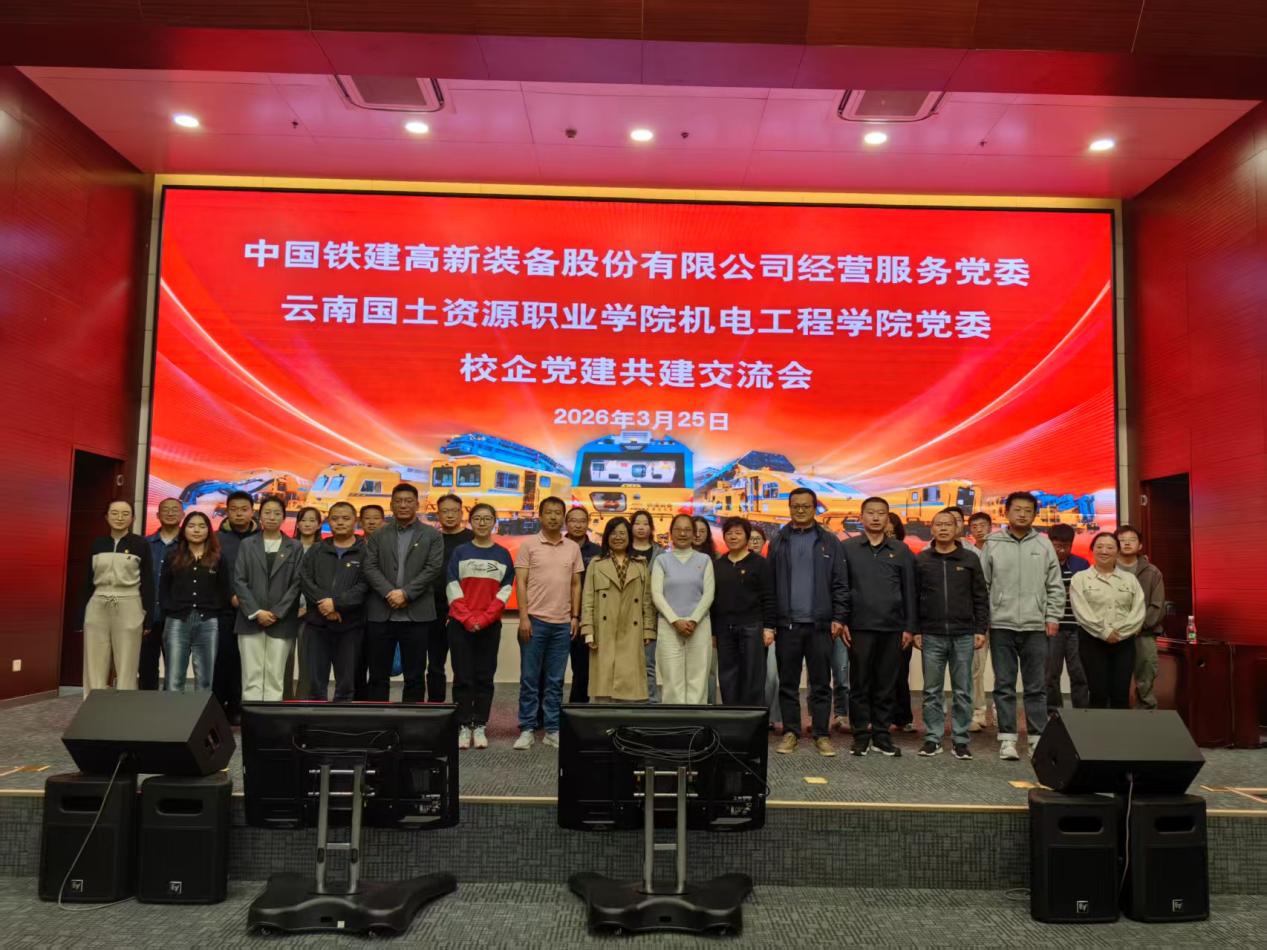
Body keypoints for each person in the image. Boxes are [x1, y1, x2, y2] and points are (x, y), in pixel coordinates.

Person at [980, 491, 1065, 761]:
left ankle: (1036, 739)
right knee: (1004, 684)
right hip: (1001, 625)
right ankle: (1007, 739)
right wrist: (984, 620)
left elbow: (1055, 585)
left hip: (1035, 626)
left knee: (1036, 686)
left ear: (1035, 515)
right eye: (1017, 509)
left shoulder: (1044, 544)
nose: (1022, 514)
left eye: (1028, 510)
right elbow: (982, 585)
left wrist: (1052, 617)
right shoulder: (992, 543)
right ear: (1006, 512)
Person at [767, 488, 850, 756]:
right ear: (789, 508)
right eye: (795, 506)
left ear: (815, 508)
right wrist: (771, 622)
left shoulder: (829, 541)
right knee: (788, 683)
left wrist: (839, 617)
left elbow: (840, 583)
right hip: (787, 625)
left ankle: (821, 734)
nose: (800, 510)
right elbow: (770, 586)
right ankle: (791, 732)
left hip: (820, 625)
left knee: (821, 684)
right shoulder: (779, 541)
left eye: (805, 506)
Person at [842, 497, 917, 758]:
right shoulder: (848, 548)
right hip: (859, 627)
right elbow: (840, 588)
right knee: (859, 683)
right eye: (871, 513)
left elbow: (910, 591)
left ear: (888, 518)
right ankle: (861, 735)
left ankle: (882, 735)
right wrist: (842, 621)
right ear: (861, 517)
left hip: (893, 627)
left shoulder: (901, 550)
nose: (875, 518)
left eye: (881, 513)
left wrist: (910, 627)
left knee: (887, 683)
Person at [914, 511, 989, 760]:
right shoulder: (922, 560)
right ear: (932, 529)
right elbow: (914, 598)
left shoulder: (969, 559)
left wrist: (980, 629)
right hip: (932, 634)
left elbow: (980, 597)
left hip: (964, 634)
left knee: (963, 691)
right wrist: (916, 630)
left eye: (949, 524)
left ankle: (960, 740)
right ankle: (932, 738)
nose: (944, 528)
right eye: (939, 524)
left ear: (957, 528)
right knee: (931, 691)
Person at [362, 484, 444, 703]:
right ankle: (379, 720)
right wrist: (390, 593)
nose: (403, 505)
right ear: (391, 505)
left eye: (408, 501)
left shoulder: (432, 535)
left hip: (417, 615)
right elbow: (369, 567)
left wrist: (406, 594)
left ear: (417, 504)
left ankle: (411, 722)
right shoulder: (379, 534)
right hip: (382, 613)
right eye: (398, 501)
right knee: (378, 675)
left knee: (414, 676)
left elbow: (433, 568)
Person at [513, 496, 584, 749]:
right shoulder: (528, 545)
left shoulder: (572, 548)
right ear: (540, 516)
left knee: (555, 681)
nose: (553, 517)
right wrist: (523, 617)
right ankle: (527, 728)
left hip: (562, 624)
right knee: (529, 679)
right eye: (549, 512)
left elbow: (576, 585)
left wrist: (574, 617)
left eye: (558, 513)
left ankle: (552, 729)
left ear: (563, 517)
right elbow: (521, 583)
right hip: (534, 621)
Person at [447, 503, 514, 748]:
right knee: (463, 676)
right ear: (470, 522)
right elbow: (452, 586)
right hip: (460, 625)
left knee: (485, 677)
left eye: (487, 518)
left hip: (489, 626)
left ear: (494, 522)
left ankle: (480, 724)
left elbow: (505, 591)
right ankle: (464, 725)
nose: (482, 523)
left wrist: (484, 619)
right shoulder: (460, 552)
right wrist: (467, 618)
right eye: (477, 518)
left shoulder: (502, 554)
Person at [80, 500, 154, 695]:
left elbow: (148, 582)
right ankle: (92, 705)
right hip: (98, 602)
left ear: (133, 518)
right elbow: (87, 581)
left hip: (129, 602)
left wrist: (148, 617)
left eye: (125, 513)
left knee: (127, 663)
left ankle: (125, 707)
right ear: (106, 516)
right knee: (94, 661)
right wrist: (80, 615)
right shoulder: (97, 544)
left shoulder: (141, 544)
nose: (119, 518)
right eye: (114, 513)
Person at [233, 496, 302, 701]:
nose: (272, 517)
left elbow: (297, 583)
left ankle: (272, 720)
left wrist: (277, 613)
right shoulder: (247, 544)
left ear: (284, 517)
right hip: (250, 620)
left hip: (281, 621)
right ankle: (252, 718)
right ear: (259, 516)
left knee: (275, 676)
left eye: (277, 513)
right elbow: (239, 580)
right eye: (267, 513)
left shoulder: (294, 546)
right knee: (251, 676)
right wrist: (256, 612)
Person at [300, 501, 368, 703]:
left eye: (346, 518)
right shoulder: (316, 550)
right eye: (335, 518)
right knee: (315, 684)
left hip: (350, 626)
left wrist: (336, 604)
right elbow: (305, 579)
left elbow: (365, 586)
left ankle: (343, 720)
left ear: (355, 521)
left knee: (346, 685)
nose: (340, 522)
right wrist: (326, 606)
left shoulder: (365, 551)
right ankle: (316, 722)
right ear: (328, 521)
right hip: (317, 625)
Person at [582, 517, 656, 702]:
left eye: (622, 533)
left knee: (631, 688)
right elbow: (588, 599)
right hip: (604, 631)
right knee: (604, 688)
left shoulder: (640, 564)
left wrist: (648, 629)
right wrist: (588, 630)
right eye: (613, 533)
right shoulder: (596, 564)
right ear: (606, 536)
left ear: (629, 536)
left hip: (632, 630)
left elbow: (647, 600)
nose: (618, 537)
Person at [1071, 532, 1146, 709]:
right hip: (1092, 641)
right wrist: (1104, 632)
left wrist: (1120, 634)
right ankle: (1096, 728)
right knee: (1098, 693)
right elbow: (1082, 611)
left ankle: (1120, 728)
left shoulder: (1129, 579)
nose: (1104, 551)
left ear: (1117, 551)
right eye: (1099, 547)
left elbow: (1138, 610)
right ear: (1092, 550)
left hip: (1123, 642)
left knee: (1120, 694)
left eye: (1110, 547)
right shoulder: (1080, 579)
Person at [160, 511, 230, 692]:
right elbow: (164, 588)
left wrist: (215, 611)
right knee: (174, 679)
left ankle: (201, 712)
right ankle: (174, 711)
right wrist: (170, 610)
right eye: (191, 526)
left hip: (208, 621)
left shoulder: (218, 558)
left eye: (201, 526)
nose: (196, 530)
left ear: (209, 530)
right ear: (184, 530)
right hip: (177, 620)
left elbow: (224, 590)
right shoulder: (173, 556)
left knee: (205, 680)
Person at [651, 513, 716, 705]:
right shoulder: (661, 560)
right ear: (670, 533)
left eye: (687, 530)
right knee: (672, 679)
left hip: (699, 625)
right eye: (678, 529)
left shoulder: (704, 560)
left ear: (694, 534)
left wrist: (693, 620)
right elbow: (657, 594)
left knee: (698, 679)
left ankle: (696, 720)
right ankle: (674, 720)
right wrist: (675, 621)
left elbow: (709, 594)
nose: (682, 533)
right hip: (669, 626)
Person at [712, 517, 776, 706]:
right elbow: (713, 601)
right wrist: (713, 632)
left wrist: (769, 627)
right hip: (725, 630)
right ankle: (732, 718)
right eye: (729, 533)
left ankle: (752, 719)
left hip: (752, 627)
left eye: (738, 533)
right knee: (728, 678)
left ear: (747, 537)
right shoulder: (718, 565)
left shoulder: (759, 563)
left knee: (752, 678)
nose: (733, 537)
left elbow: (769, 596)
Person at [214, 490, 258, 721]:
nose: (239, 514)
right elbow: (213, 573)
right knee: (222, 657)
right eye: (234, 510)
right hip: (223, 608)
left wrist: (249, 599)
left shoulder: (263, 537)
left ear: (252, 511)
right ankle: (217, 708)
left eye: (244, 509)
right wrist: (230, 595)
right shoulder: (216, 539)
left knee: (246, 660)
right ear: (227, 511)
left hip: (255, 608)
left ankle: (238, 707)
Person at [1115, 525, 1166, 710]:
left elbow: (1157, 605)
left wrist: (1139, 626)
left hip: (1144, 633)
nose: (1127, 543)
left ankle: (1147, 718)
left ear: (1140, 545)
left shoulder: (1152, 572)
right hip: (1113, 634)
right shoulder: (1107, 569)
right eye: (1122, 540)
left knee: (1146, 680)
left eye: (1132, 540)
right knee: (1115, 680)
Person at [429, 493, 474, 703]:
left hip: (463, 610)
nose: (449, 515)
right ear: (438, 514)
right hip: (433, 609)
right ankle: (435, 708)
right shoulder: (431, 538)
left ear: (461, 512)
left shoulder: (472, 539)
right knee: (434, 665)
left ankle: (461, 710)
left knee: (463, 665)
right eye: (444, 511)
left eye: (454, 511)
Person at [1046, 523, 1091, 714]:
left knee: (1079, 673)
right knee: (1050, 674)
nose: (1061, 550)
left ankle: (1082, 713)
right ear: (1050, 543)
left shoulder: (1081, 565)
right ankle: (1053, 712)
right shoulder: (1043, 564)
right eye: (1057, 546)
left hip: (1077, 628)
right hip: (1052, 628)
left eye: (1066, 546)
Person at [141, 497, 182, 689]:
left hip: (176, 616)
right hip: (147, 616)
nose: (170, 513)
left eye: (175, 509)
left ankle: (170, 704)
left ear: (182, 514)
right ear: (157, 515)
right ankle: (147, 704)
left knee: (175, 669)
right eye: (166, 509)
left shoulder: (188, 545)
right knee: (146, 667)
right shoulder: (145, 544)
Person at [564, 505, 602, 704]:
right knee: (551, 670)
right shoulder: (557, 547)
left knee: (582, 670)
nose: (578, 525)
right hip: (557, 615)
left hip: (586, 618)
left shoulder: (598, 552)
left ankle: (577, 711)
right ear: (566, 523)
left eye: (582, 521)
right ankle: (545, 714)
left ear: (587, 524)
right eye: (573, 521)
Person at [882, 512, 916, 733]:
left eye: (892, 533)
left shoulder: (906, 554)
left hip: (900, 624)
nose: (888, 537)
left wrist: (910, 626)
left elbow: (912, 592)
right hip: (873, 623)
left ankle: (902, 717)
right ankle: (879, 717)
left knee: (899, 673)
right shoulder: (865, 554)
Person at [287, 505, 324, 701]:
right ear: (297, 524)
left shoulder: (323, 550)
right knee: (284, 660)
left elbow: (323, 584)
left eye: (312, 520)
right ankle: (284, 700)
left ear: (319, 525)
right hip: (285, 611)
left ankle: (303, 701)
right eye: (303, 520)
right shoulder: (287, 547)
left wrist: (306, 607)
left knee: (308, 661)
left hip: (311, 613)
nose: (307, 524)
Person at [629, 509, 663, 702]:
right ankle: (628, 700)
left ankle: (651, 703)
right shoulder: (623, 550)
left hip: (651, 614)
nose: (641, 527)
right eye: (637, 523)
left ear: (651, 528)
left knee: (648, 662)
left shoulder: (660, 553)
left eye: (645, 524)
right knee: (626, 661)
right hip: (626, 613)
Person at [353, 504, 385, 698]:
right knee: (356, 662)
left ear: (383, 521)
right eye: (367, 518)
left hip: (381, 610)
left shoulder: (389, 545)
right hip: (354, 611)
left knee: (378, 664)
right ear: (360, 521)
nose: (372, 522)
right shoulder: (353, 545)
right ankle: (357, 703)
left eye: (376, 518)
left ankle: (377, 704)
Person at [966, 511, 993, 731]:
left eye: (983, 525)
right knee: (976, 668)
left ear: (990, 527)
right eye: (974, 526)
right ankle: (978, 712)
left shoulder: (999, 550)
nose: (979, 529)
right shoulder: (968, 553)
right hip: (978, 618)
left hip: (1002, 616)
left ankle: (1002, 715)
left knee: (1004, 671)